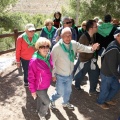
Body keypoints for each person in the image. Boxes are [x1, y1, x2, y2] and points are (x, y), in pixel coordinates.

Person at [50, 27, 100, 109]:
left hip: (70, 74)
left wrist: (92, 48)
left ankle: (65, 102)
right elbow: (52, 63)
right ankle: (52, 100)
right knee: (60, 92)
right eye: (65, 36)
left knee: (68, 91)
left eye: (69, 35)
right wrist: (53, 74)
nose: (68, 37)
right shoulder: (57, 48)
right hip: (60, 75)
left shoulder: (73, 44)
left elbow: (83, 47)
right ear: (61, 36)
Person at [28, 37, 53, 120]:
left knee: (40, 99)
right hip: (39, 87)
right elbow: (31, 77)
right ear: (38, 48)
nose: (45, 49)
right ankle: (41, 114)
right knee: (47, 102)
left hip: (46, 84)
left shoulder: (48, 56)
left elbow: (51, 66)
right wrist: (33, 91)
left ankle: (38, 110)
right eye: (42, 47)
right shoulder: (34, 61)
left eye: (47, 46)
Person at [74, 20, 100, 95]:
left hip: (92, 59)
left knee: (94, 75)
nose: (97, 27)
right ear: (91, 28)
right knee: (80, 75)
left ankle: (92, 90)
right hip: (84, 60)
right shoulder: (83, 37)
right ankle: (77, 85)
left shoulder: (94, 35)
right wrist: (90, 48)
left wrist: (96, 48)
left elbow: (94, 46)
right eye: (96, 26)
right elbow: (78, 49)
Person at [97, 29, 120, 110]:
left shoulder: (117, 44)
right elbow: (112, 66)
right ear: (117, 36)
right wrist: (119, 77)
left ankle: (108, 99)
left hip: (112, 73)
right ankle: (100, 102)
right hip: (107, 73)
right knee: (105, 90)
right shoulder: (114, 48)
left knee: (116, 87)